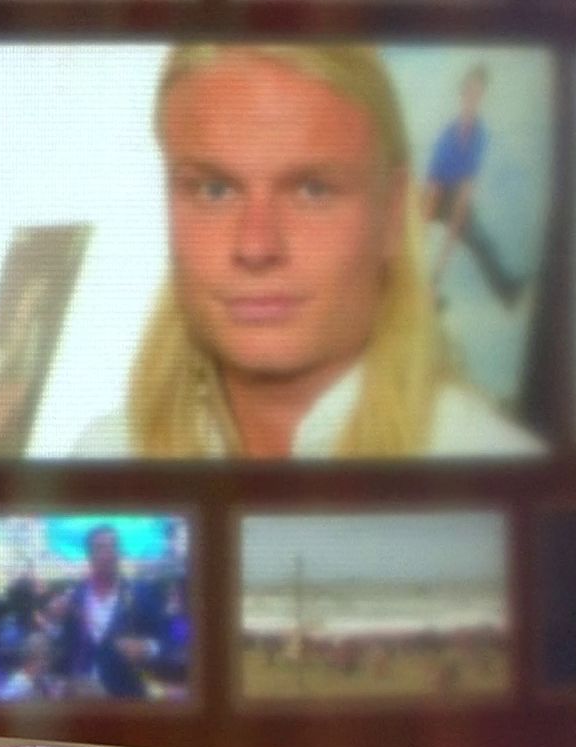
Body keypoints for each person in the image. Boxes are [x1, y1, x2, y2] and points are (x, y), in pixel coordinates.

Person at [78, 44, 543, 458]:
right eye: (214, 190)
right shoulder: (105, 458)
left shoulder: (491, 465)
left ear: (390, 213)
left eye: (313, 190)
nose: (256, 246)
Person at [423, 64, 523, 307]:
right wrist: (422, 239)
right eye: (469, 91)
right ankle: (417, 288)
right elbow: (433, 193)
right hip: (434, 193)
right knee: (412, 237)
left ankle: (507, 290)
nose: (473, 98)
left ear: (482, 97)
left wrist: (440, 267)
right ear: (462, 94)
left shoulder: (480, 135)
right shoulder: (446, 137)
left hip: (458, 195)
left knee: (480, 239)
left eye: (478, 93)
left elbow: (464, 194)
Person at [39, 525, 175, 698]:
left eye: (114, 546)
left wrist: (148, 648)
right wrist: (54, 621)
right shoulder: (75, 596)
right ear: (89, 556)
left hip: (126, 695)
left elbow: (167, 639)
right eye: (101, 548)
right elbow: (63, 641)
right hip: (80, 694)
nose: (109, 553)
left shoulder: (142, 593)